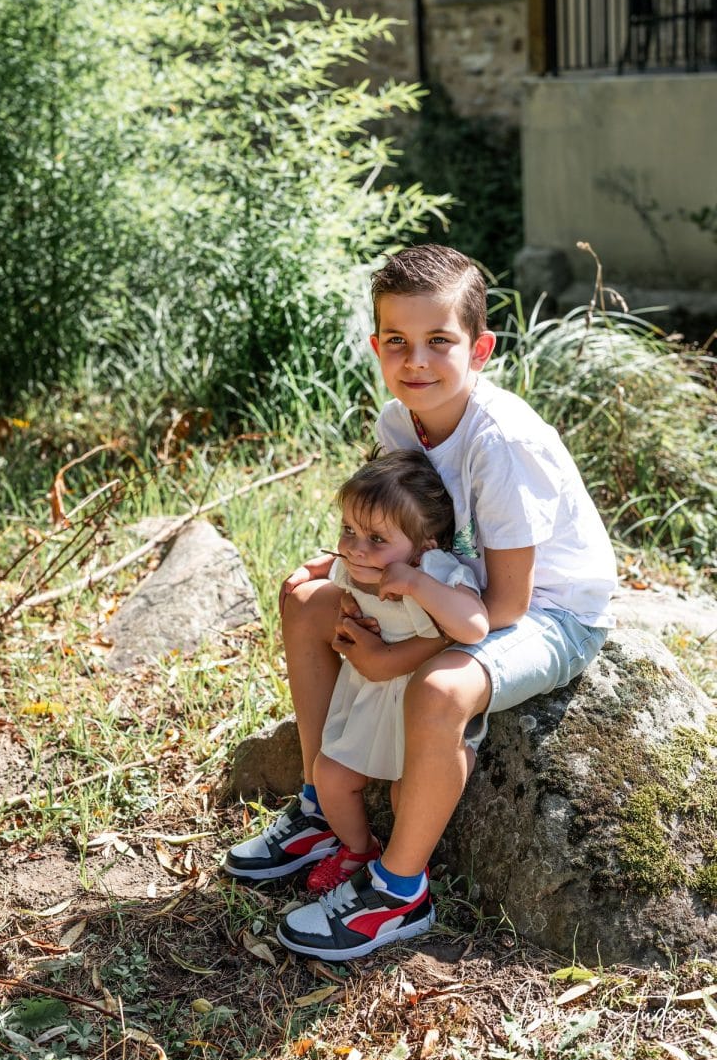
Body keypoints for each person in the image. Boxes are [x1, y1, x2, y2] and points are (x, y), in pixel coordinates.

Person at [224, 243, 617, 963]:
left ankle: (398, 890)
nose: (417, 361)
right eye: (398, 341)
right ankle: (321, 806)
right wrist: (350, 560)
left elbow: (506, 605)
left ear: (480, 349)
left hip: (548, 611)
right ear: (377, 346)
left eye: (440, 340)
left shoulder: (500, 444)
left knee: (438, 689)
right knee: (306, 600)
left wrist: (398, 655)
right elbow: (403, 526)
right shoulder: (400, 423)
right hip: (445, 582)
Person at [306, 450, 488, 895]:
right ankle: (358, 848)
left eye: (376, 538)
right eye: (349, 530)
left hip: (419, 707)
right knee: (330, 775)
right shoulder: (355, 567)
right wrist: (349, 611)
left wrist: (416, 584)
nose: (356, 547)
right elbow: (345, 592)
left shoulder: (436, 570)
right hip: (370, 699)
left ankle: (406, 864)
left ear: (425, 543)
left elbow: (475, 626)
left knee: (405, 794)